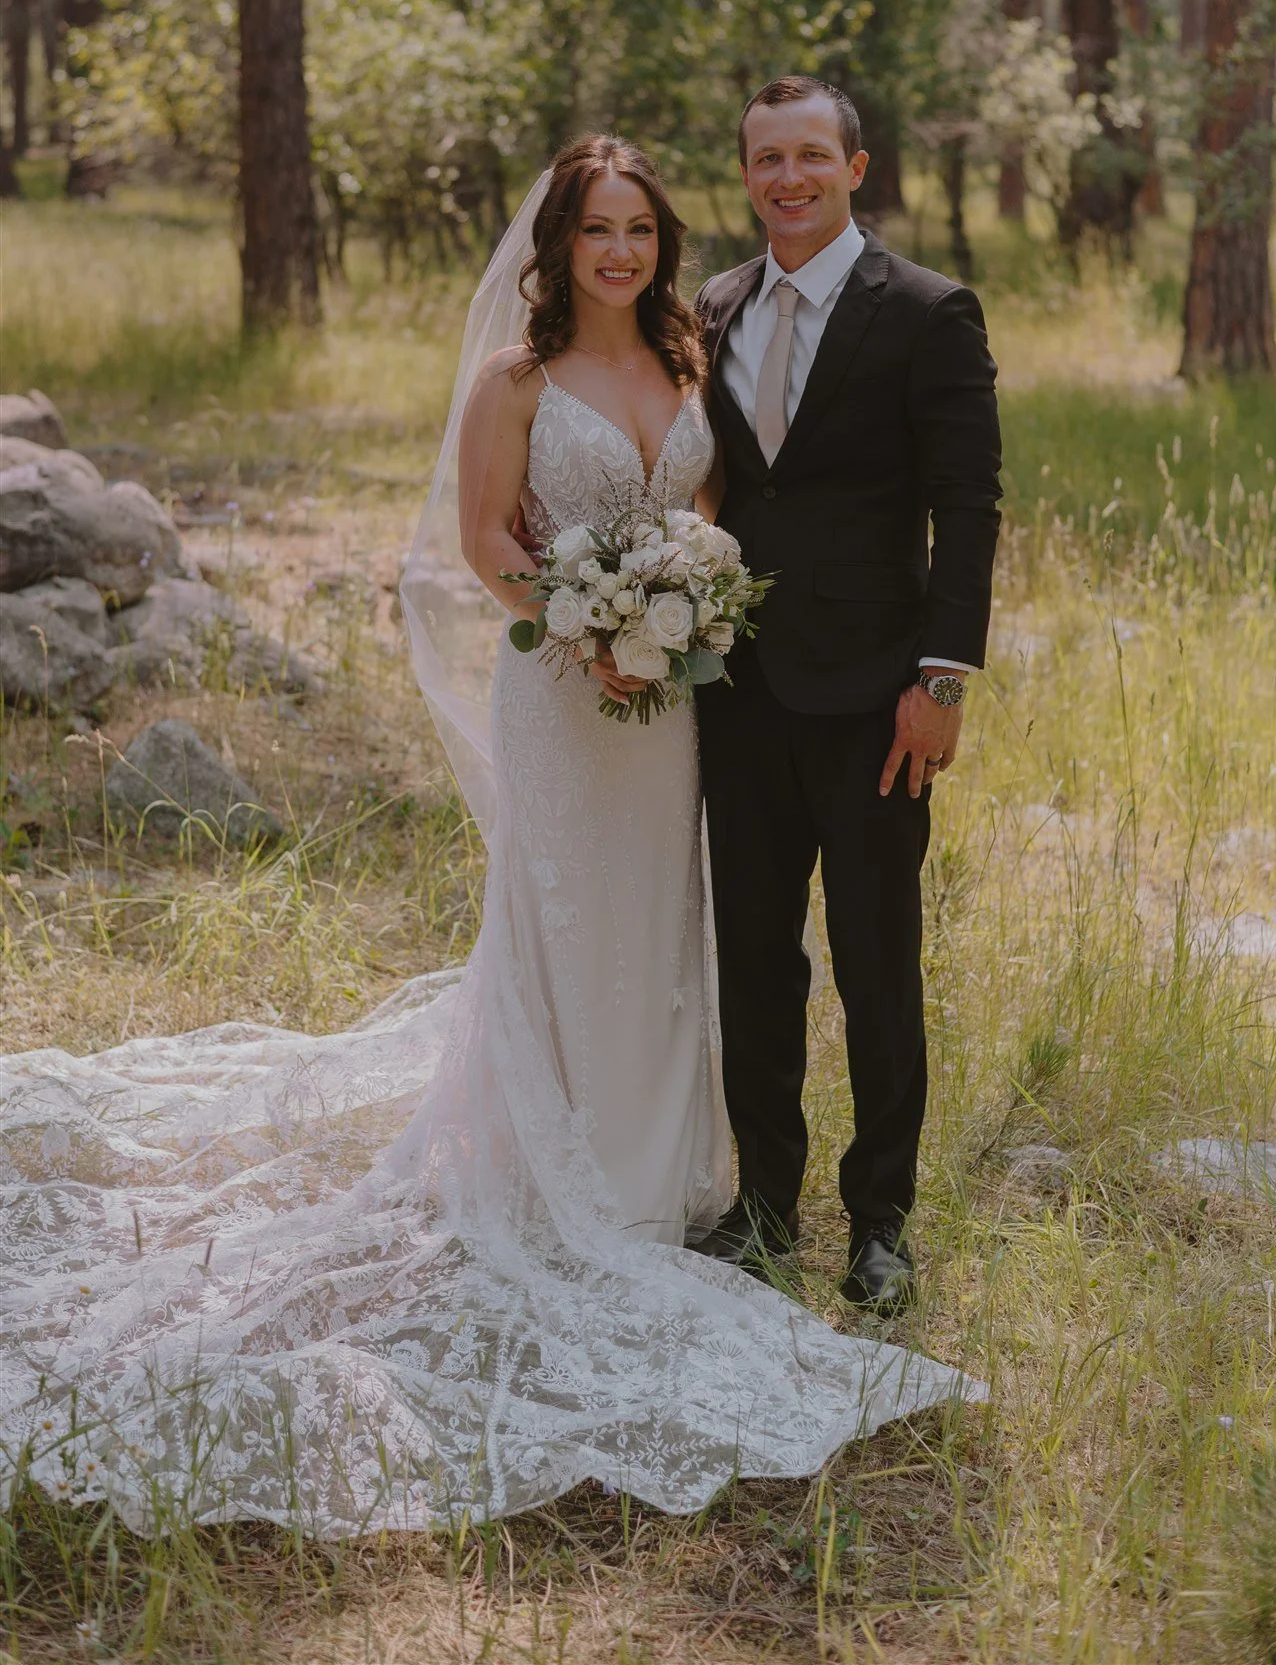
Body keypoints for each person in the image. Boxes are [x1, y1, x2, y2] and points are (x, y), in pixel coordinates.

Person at [0, 135, 981, 1541]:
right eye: (598, 230)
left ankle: (677, 1179)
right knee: (568, 915)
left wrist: (682, 612)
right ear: (557, 245)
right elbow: (477, 541)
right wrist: (590, 629)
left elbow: (714, 517)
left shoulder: (693, 356)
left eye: (639, 228)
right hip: (568, 695)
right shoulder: (513, 382)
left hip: (680, 712)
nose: (622, 252)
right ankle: (565, 1173)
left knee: (667, 929)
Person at [694, 78, 1003, 1315]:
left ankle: (880, 1220)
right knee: (752, 960)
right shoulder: (712, 303)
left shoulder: (927, 311)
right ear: (748, 171)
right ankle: (763, 1206)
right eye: (767, 157)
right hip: (735, 689)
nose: (788, 177)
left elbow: (966, 503)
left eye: (810, 155)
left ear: (855, 166)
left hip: (879, 699)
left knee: (878, 960)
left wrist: (941, 678)